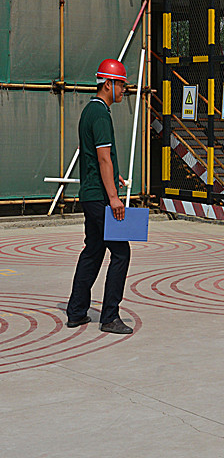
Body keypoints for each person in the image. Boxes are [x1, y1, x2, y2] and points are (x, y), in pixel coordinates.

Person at [65, 59, 134, 334]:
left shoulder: (89, 111)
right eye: (121, 84)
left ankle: (76, 312)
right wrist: (114, 197)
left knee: (93, 250)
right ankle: (110, 317)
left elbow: (95, 158)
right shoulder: (102, 115)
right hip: (101, 198)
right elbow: (103, 158)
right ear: (108, 84)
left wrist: (114, 175)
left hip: (90, 194)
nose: (124, 90)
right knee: (121, 252)